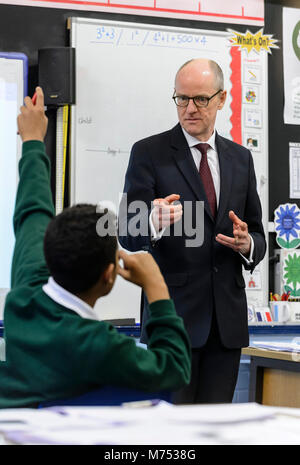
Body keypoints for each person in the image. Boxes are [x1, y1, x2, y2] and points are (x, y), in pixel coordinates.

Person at [0, 87, 191, 409]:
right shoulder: (100, 345)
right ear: (108, 275)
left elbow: (32, 209)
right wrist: (156, 286)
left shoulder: (23, 297)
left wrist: (32, 140)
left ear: (50, 250)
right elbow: (173, 369)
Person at [119, 58, 266, 404]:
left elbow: (258, 235)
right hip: (172, 321)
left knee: (214, 432)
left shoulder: (241, 159)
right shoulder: (149, 153)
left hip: (225, 326)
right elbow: (127, 230)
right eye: (181, 99)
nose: (189, 109)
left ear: (221, 99)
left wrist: (247, 244)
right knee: (172, 434)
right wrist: (153, 221)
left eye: (200, 99)